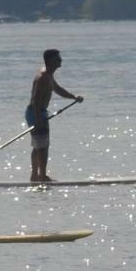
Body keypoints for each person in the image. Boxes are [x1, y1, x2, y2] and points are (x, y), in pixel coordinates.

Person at [26, 49, 83, 182]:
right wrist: (38, 118)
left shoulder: (49, 75)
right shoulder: (42, 77)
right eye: (58, 59)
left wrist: (73, 97)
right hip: (36, 113)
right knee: (42, 147)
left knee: (38, 145)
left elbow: (57, 89)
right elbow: (35, 100)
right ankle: (42, 176)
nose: (60, 61)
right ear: (51, 61)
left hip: (38, 112)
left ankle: (35, 176)